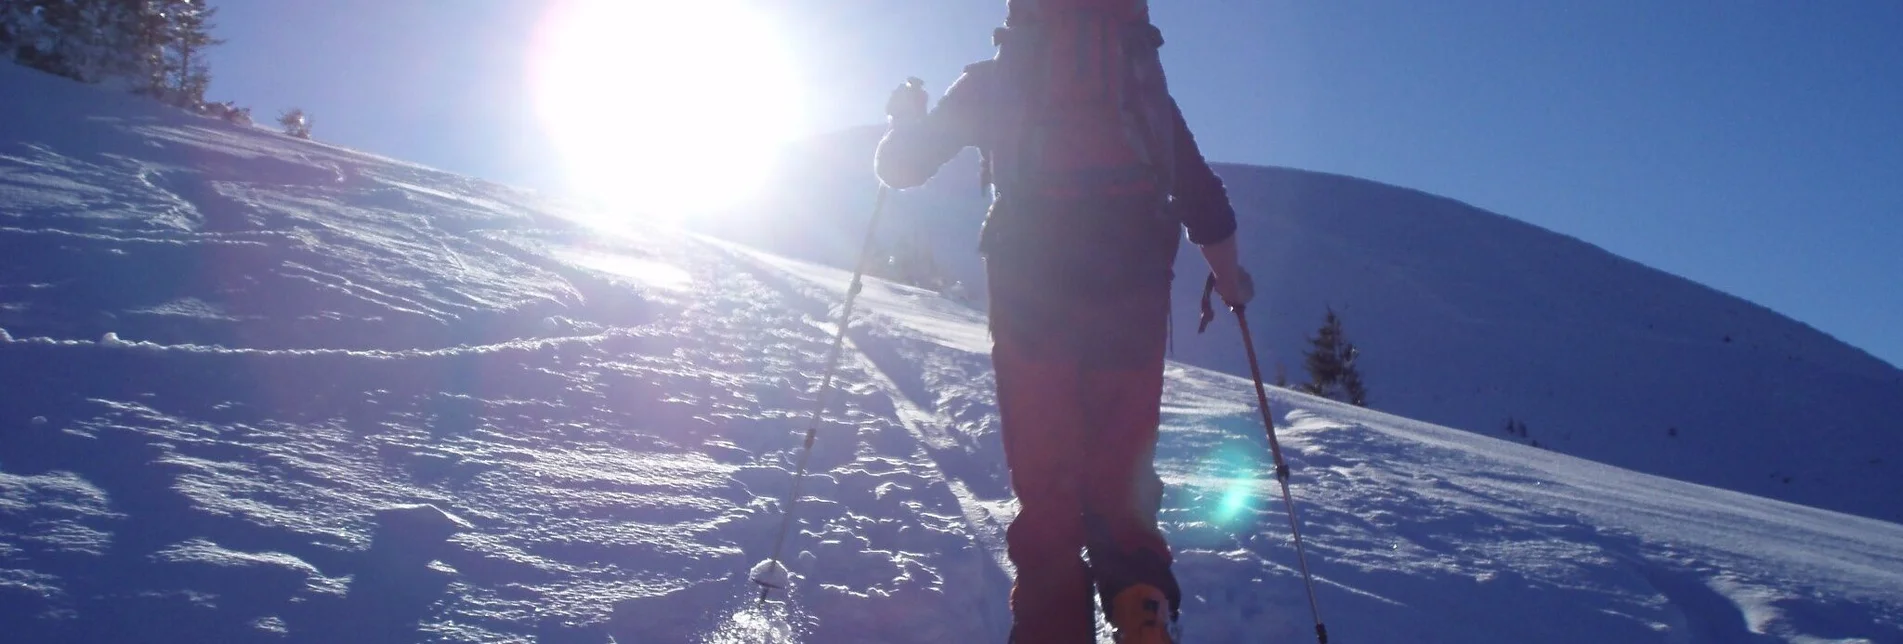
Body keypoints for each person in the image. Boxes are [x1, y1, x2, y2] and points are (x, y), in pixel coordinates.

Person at [873, 2, 1252, 642]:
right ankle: (1141, 612)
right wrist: (1232, 280)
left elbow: (902, 167)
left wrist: (905, 118)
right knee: (1121, 474)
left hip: (1030, 285)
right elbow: (1203, 199)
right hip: (1132, 283)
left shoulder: (998, 76)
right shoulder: (1141, 81)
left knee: (1046, 479)